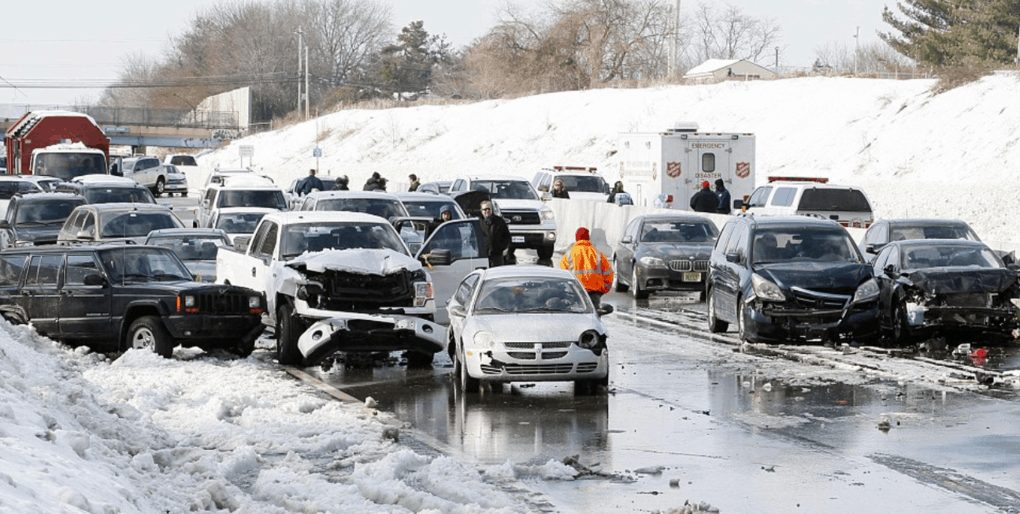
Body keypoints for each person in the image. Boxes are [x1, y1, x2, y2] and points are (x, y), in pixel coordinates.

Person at [560, 227, 614, 308]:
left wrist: (566, 290)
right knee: (594, 316)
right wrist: (603, 290)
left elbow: (562, 275)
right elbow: (609, 273)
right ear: (588, 238)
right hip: (594, 294)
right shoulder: (597, 253)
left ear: (576, 238)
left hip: (575, 293)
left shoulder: (569, 254)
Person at [478, 200, 510, 267]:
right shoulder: (478, 223)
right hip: (482, 257)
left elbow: (507, 237)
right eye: (485, 209)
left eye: (489, 209)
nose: (487, 211)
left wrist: (501, 247)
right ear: (481, 211)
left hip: (497, 256)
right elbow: (472, 238)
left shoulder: (499, 221)